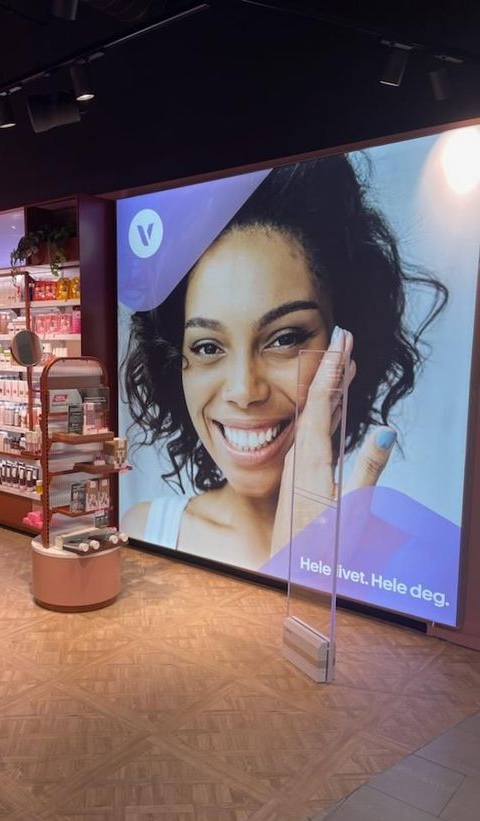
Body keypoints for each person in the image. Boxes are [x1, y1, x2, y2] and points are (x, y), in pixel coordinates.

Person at [121, 155, 448, 571]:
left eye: (285, 339)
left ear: (346, 348)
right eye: (207, 347)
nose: (244, 391)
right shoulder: (148, 530)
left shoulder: (414, 564)